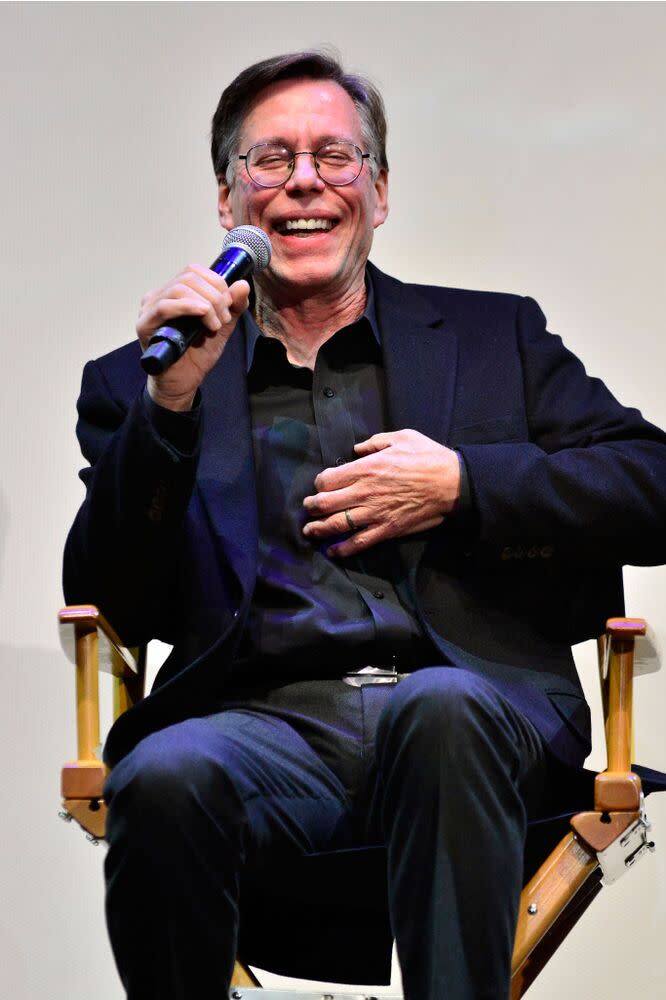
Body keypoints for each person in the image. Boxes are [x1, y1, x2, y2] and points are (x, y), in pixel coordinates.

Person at [63, 50, 666, 1000]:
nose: (304, 181)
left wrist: (465, 485)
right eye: (270, 161)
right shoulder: (141, 378)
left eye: (335, 157)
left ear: (378, 192)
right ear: (229, 203)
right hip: (260, 724)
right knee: (165, 772)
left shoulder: (492, 338)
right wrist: (168, 410)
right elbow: (113, 591)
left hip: (473, 707)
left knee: (442, 708)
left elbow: (652, 485)